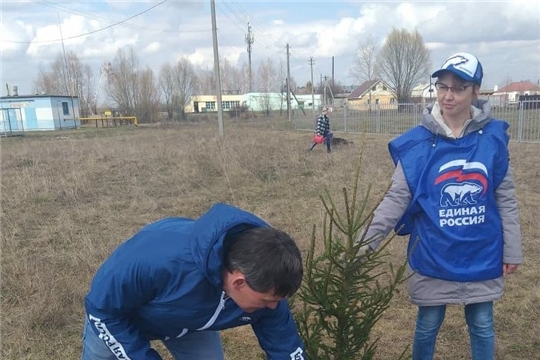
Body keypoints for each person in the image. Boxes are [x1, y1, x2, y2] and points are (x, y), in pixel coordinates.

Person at [358, 52, 522, 360]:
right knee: (428, 323)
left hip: (481, 251)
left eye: (458, 88)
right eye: (442, 86)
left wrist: (511, 250)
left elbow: (506, 200)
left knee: (483, 323)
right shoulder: (419, 146)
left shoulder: (492, 142)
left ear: (475, 90)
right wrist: (363, 244)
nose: (448, 95)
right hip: (433, 251)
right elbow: (395, 200)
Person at [82, 203, 305, 360]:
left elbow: (285, 346)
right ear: (238, 282)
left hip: (190, 323)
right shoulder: (160, 261)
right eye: (268, 300)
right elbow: (103, 310)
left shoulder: (267, 284)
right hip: (119, 318)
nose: (275, 306)